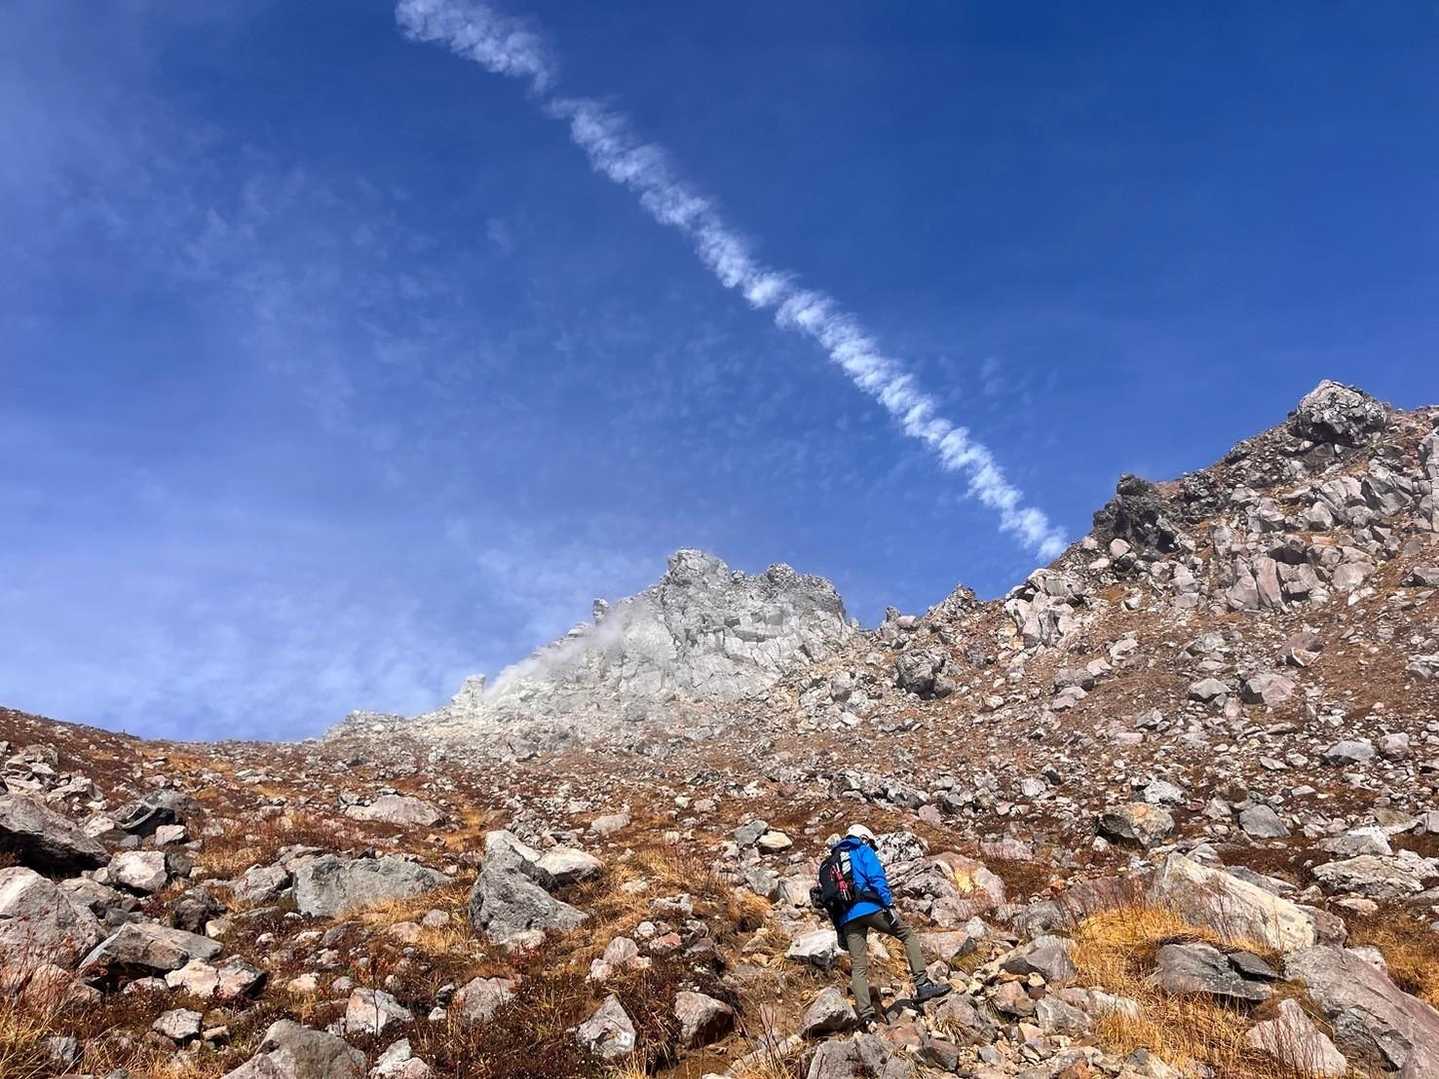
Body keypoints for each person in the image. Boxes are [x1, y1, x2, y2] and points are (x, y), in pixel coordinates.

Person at [830, 824, 951, 1025]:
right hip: (869, 907)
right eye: (871, 843)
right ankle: (923, 984)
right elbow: (876, 877)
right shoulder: (862, 849)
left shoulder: (833, 859)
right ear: (863, 838)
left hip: (847, 917)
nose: (871, 847)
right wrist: (889, 904)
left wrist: (840, 927)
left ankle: (866, 1016)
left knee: (858, 966)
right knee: (907, 935)